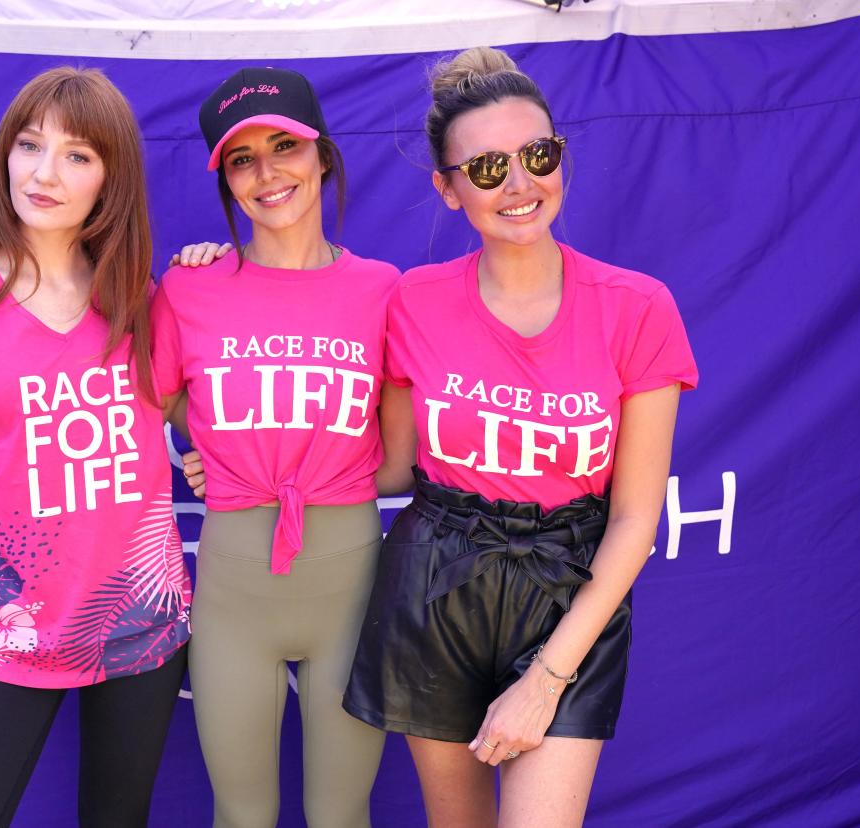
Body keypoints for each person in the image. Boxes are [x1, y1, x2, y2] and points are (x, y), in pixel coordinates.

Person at [342, 47, 699, 827]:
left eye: (537, 155)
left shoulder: (638, 308)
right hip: (435, 583)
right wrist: (250, 455)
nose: (519, 184)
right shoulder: (414, 300)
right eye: (486, 167)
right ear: (448, 188)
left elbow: (637, 517)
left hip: (568, 588)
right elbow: (392, 466)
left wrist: (547, 677)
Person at [0, 66, 191, 828]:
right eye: (29, 145)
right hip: (5, 635)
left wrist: (207, 274)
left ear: (109, 179)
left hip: (140, 624)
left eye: (78, 155)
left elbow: (208, 426)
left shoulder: (142, 303)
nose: (45, 172)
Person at [150, 67, 401, 827]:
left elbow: (397, 457)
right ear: (226, 180)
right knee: (242, 814)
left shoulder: (385, 289)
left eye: (284, 146)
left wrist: (301, 463)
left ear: (322, 155)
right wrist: (219, 453)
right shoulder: (189, 289)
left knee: (340, 814)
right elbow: (153, 406)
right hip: (235, 595)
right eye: (242, 158)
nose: (268, 172)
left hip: (350, 586)